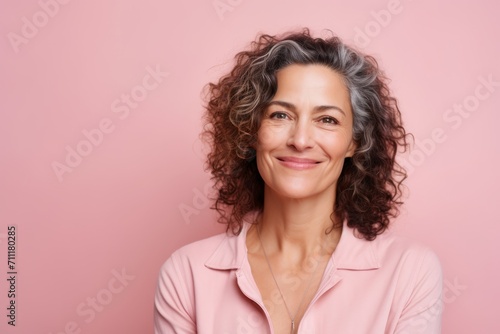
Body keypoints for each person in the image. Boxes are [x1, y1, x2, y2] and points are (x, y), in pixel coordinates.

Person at [154, 28, 443, 334]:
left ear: (355, 142)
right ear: (250, 130)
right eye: (280, 115)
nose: (301, 140)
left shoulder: (410, 272)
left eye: (327, 120)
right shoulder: (187, 274)